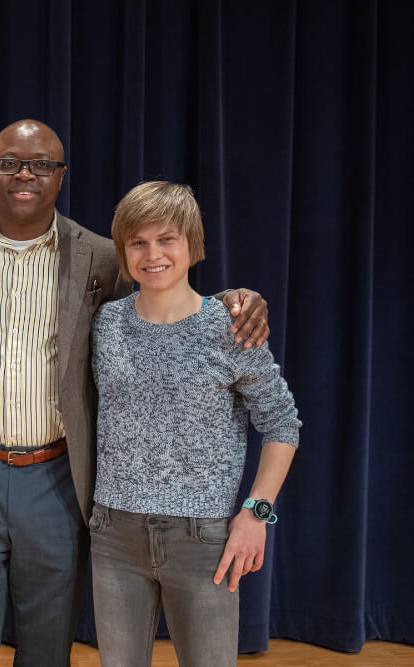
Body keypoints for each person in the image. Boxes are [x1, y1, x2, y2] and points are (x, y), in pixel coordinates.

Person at [0, 119, 271, 666]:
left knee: (47, 640)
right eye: (9, 162)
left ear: (60, 176)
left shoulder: (100, 256)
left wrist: (234, 300)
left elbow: (162, 298)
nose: (24, 174)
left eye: (41, 164)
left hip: (57, 474)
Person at [88, 181, 300, 666]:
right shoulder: (106, 323)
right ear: (123, 252)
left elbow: (283, 424)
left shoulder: (232, 326)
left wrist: (257, 512)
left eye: (167, 239)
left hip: (203, 537)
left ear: (192, 246)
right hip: (114, 531)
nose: (152, 254)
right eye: (138, 242)